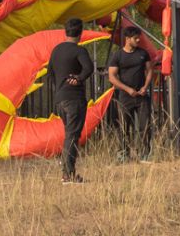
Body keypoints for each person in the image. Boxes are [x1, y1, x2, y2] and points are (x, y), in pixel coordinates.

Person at [47, 18, 97, 182]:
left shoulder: (56, 50)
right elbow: (89, 68)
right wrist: (79, 78)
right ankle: (67, 175)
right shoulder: (79, 51)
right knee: (72, 135)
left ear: (65, 31)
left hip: (60, 98)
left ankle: (69, 172)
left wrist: (60, 88)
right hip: (74, 98)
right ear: (81, 33)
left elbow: (50, 74)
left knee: (70, 134)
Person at [108, 25, 156, 163]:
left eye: (139, 38)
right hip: (125, 97)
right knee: (124, 127)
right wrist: (127, 89)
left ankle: (145, 154)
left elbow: (150, 70)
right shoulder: (118, 55)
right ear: (127, 39)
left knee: (145, 125)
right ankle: (123, 154)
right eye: (135, 38)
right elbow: (112, 76)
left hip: (141, 96)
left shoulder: (143, 53)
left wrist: (145, 86)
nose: (138, 40)